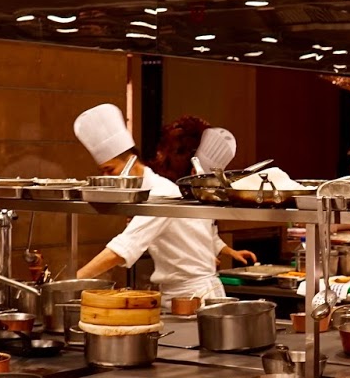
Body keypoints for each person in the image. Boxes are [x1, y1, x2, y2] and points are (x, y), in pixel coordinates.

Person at [71, 105, 252, 298]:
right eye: (103, 172)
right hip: (179, 293)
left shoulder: (161, 193)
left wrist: (72, 281)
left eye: (110, 170)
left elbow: (122, 249)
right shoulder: (151, 192)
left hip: (194, 296)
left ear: (131, 160)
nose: (108, 177)